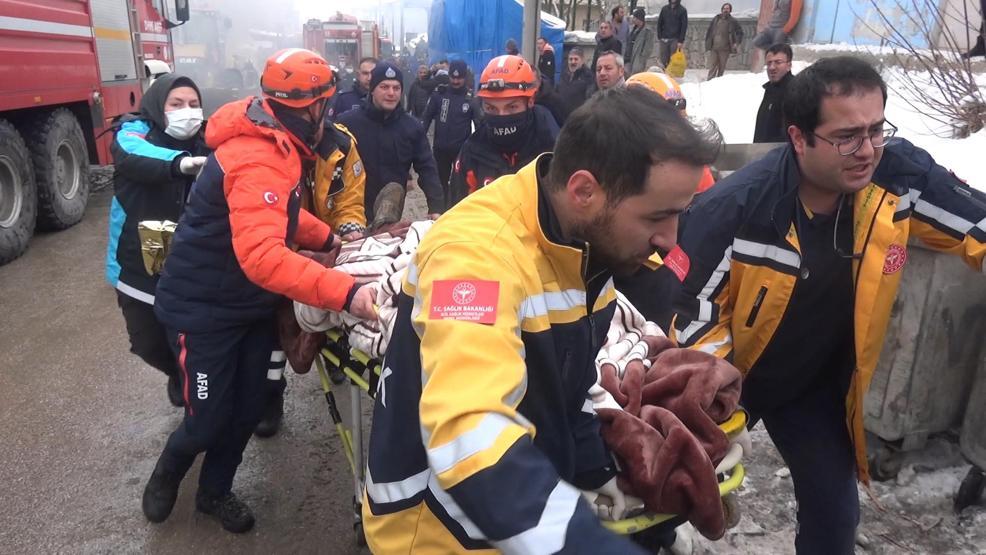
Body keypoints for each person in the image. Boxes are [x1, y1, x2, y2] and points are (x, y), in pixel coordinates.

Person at [363, 84, 720, 555]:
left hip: (511, 514)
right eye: (658, 216)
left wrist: (598, 470)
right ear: (584, 190)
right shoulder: (476, 258)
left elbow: (562, 385)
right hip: (438, 528)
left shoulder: (585, 241)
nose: (670, 241)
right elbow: (469, 430)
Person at [672, 56, 986, 554]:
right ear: (799, 138)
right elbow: (686, 314)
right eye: (846, 136)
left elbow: (977, 225)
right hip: (730, 378)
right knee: (669, 496)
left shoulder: (897, 176)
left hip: (813, 386)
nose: (867, 151)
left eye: (876, 129)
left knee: (835, 517)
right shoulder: (737, 207)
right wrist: (719, 393)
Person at [143, 48, 378, 533]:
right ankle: (169, 468)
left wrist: (330, 239)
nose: (328, 115)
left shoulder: (277, 143)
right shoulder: (259, 156)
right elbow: (263, 257)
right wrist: (345, 291)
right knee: (208, 419)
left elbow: (283, 213)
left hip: (247, 306)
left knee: (249, 407)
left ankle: (214, 492)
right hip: (203, 310)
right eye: (326, 106)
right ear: (310, 108)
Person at [105, 73, 209, 408]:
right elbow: (132, 153)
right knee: (146, 342)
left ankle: (193, 386)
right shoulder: (134, 132)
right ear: (157, 105)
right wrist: (181, 164)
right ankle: (175, 374)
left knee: (192, 340)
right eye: (176, 104)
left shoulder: (209, 139)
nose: (187, 111)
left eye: (194, 104)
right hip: (139, 262)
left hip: (194, 264)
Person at [337, 61, 445, 221]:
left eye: (396, 88)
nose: (391, 93)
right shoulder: (347, 123)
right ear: (372, 89)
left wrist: (436, 207)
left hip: (389, 215)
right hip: (351, 214)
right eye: (384, 87)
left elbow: (427, 168)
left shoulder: (412, 127)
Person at [448, 55, 560, 207]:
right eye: (491, 108)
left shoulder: (553, 150)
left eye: (512, 107)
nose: (502, 117)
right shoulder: (472, 150)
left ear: (531, 101)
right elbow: (457, 213)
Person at [421, 59, 482, 206]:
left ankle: (455, 209)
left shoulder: (470, 99)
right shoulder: (439, 95)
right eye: (453, 77)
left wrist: (478, 148)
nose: (455, 81)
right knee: (440, 183)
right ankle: (440, 211)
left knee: (458, 184)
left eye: (459, 78)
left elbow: (479, 125)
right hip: (440, 149)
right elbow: (427, 118)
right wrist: (420, 141)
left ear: (464, 78)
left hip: (460, 151)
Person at [753, 43, 794, 143]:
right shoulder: (770, 89)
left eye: (778, 62)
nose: (772, 67)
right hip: (763, 153)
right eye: (769, 63)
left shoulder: (795, 91)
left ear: (789, 65)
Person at [750, 0, 802, 71]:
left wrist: (785, 30)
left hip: (781, 28)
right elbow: (774, 12)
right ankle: (779, 49)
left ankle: (776, 68)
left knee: (776, 52)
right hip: (771, 27)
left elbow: (794, 17)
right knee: (757, 41)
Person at [705, 3, 744, 80]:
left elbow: (740, 32)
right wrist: (708, 42)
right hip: (714, 47)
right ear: (722, 9)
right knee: (712, 65)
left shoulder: (733, 21)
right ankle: (709, 81)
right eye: (724, 8)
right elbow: (710, 30)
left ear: (730, 10)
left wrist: (736, 42)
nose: (726, 10)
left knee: (721, 67)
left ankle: (719, 81)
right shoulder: (716, 18)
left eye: (727, 9)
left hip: (725, 49)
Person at [557, 46, 594, 113]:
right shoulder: (564, 74)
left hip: (578, 116)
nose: (573, 62)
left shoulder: (588, 76)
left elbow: (590, 99)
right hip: (562, 115)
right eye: (570, 59)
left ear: (582, 61)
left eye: (576, 59)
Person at [624, 7, 657, 75]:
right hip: (628, 57)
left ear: (639, 19)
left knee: (635, 76)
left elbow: (648, 49)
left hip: (638, 59)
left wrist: (642, 59)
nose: (633, 19)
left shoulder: (647, 32)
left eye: (635, 18)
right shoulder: (633, 29)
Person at [656, 0, 689, 69]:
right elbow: (659, 23)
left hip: (675, 39)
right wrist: (660, 36)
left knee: (673, 59)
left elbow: (684, 26)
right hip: (664, 38)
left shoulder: (682, 10)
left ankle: (671, 76)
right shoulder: (664, 9)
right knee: (663, 60)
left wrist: (680, 41)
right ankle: (664, 74)